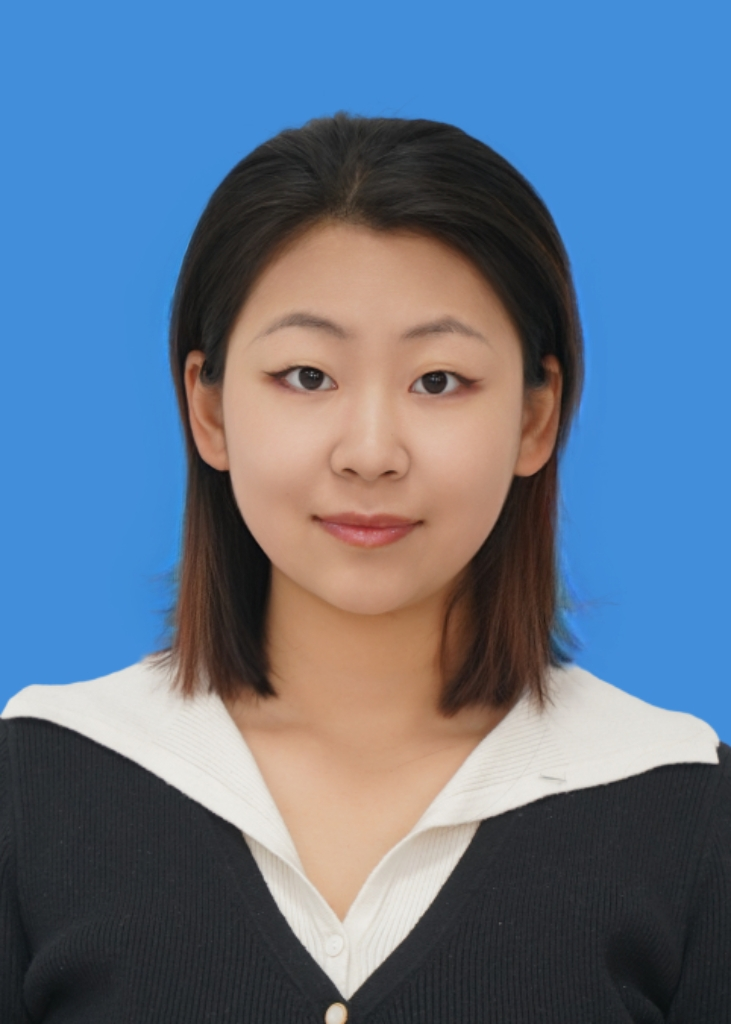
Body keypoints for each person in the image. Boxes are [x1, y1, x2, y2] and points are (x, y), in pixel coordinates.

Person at [1, 113, 728, 1024]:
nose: (371, 453)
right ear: (208, 410)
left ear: (535, 418)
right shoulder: (40, 781)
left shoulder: (680, 803)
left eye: (438, 381)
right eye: (307, 376)